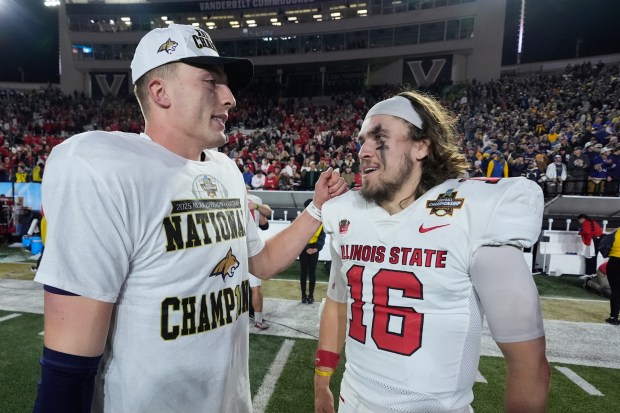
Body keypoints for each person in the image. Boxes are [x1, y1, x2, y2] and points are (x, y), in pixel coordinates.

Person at [32, 24, 347, 413]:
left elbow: (261, 262)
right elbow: (70, 358)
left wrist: (316, 208)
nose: (230, 98)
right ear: (159, 92)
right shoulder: (105, 167)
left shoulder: (226, 170)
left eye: (226, 85)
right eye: (210, 82)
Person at [315, 91, 550, 413]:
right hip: (352, 402)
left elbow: (529, 362)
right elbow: (338, 303)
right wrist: (322, 380)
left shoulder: (472, 212)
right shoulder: (348, 213)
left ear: (421, 146)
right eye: (362, 141)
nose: (364, 151)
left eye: (379, 138)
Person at [247, 192, 273, 330]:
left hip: (239, 246)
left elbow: (267, 213)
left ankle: (255, 318)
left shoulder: (229, 195)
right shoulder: (255, 199)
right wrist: (257, 206)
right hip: (252, 247)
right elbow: (267, 215)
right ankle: (258, 320)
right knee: (255, 287)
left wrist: (256, 206)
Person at [300, 198, 326, 304]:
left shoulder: (320, 221)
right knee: (303, 273)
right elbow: (298, 237)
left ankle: (311, 296)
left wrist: (316, 248)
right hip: (303, 249)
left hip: (314, 249)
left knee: (312, 273)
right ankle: (303, 295)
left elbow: (322, 237)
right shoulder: (300, 220)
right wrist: (306, 248)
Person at [577, 213, 603, 279]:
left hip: (593, 241)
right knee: (593, 257)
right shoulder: (592, 222)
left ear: (582, 219)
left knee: (589, 257)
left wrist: (580, 233)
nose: (579, 222)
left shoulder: (586, 223)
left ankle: (588, 273)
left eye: (579, 220)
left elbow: (587, 232)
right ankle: (593, 273)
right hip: (598, 240)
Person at [604, 230, 620, 325]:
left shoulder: (617, 230)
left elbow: (606, 242)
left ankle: (613, 317)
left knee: (616, 291)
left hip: (614, 261)